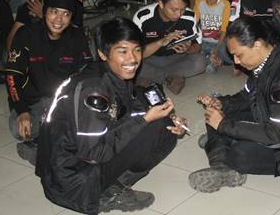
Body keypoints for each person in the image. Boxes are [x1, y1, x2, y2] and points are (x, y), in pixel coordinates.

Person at [36, 17, 187, 214]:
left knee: (165, 127)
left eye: (137, 50)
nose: (132, 59)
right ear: (102, 53)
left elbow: (129, 108)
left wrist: (161, 117)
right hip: (72, 181)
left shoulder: (114, 74)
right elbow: (94, 154)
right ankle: (103, 192)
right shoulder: (93, 91)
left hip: (77, 161)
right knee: (156, 126)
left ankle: (113, 185)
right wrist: (145, 120)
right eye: (122, 51)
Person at [188, 17, 280, 193]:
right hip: (274, 117)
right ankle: (221, 163)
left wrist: (223, 126)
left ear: (257, 45)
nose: (236, 61)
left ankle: (221, 145)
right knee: (216, 113)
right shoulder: (267, 60)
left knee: (240, 153)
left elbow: (278, 135)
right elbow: (247, 96)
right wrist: (221, 103)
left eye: (238, 55)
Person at [4, 0, 90, 165]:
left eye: (66, 14)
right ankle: (48, 141)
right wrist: (21, 110)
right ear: (44, 12)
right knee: (18, 129)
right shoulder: (26, 34)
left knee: (91, 124)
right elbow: (12, 76)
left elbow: (88, 74)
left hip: (62, 101)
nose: (59, 20)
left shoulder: (77, 37)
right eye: (54, 12)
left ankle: (43, 147)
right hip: (32, 101)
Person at [132, 0, 206, 95]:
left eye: (183, 9)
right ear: (161, 4)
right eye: (174, 10)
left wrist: (187, 49)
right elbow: (134, 53)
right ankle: (169, 78)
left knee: (200, 62)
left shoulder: (190, 17)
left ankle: (152, 78)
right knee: (132, 65)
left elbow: (198, 46)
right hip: (150, 59)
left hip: (176, 59)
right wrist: (161, 42)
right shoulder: (143, 17)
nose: (178, 14)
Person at [194, 0, 232, 73]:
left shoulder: (225, 4)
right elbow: (194, 24)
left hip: (220, 42)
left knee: (225, 51)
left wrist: (216, 49)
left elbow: (224, 29)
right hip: (204, 41)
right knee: (195, 52)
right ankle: (212, 60)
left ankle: (214, 59)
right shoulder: (198, 3)